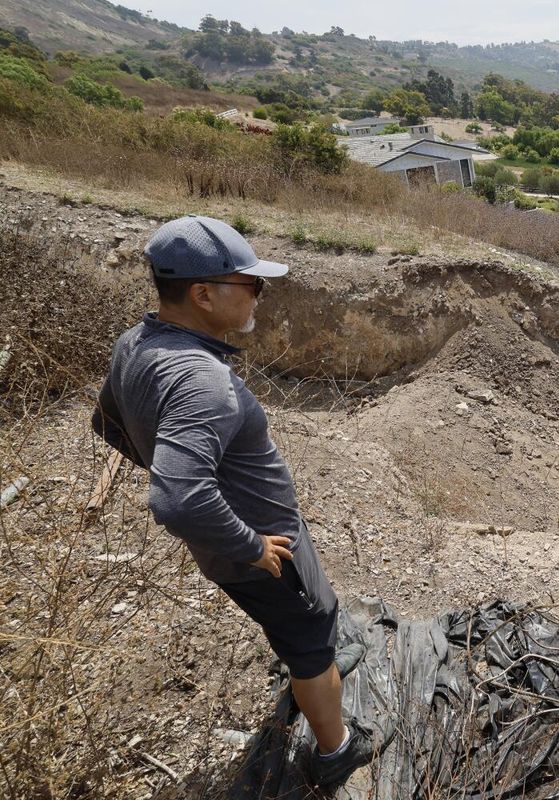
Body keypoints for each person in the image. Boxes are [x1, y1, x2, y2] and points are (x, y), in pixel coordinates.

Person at [91, 215, 394, 787]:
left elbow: (105, 421)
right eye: (250, 283)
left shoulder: (136, 343)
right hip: (264, 555)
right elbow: (177, 501)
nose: (259, 294)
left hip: (236, 547)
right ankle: (336, 750)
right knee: (309, 637)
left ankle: (314, 660)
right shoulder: (201, 381)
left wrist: (172, 467)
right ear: (202, 295)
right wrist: (251, 544)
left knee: (307, 618)